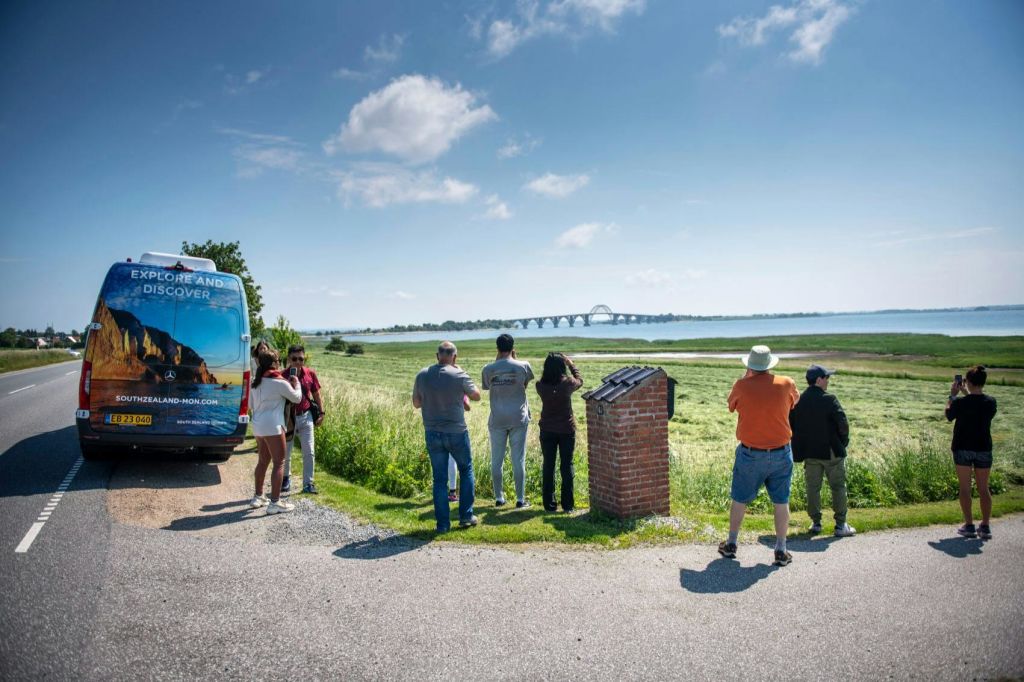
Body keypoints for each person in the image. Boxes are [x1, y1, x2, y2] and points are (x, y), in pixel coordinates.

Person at [719, 345, 800, 566]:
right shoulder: (786, 383)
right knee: (781, 501)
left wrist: (747, 379)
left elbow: (731, 406)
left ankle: (731, 543)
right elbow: (794, 402)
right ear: (770, 363)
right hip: (781, 452)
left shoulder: (741, 386)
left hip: (750, 453)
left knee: (740, 498)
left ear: (750, 365)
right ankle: (781, 549)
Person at [412, 341, 481, 532]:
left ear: (437, 356)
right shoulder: (459, 374)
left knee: (439, 479)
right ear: (454, 357)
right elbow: (476, 396)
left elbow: (416, 403)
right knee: (466, 470)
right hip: (457, 431)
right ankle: (466, 516)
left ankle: (443, 524)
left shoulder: (422, 374)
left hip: (432, 431)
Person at [789, 364, 855, 537]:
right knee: (838, 487)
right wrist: (843, 443)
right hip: (831, 451)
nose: (828, 381)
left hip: (810, 452)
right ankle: (841, 525)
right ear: (819, 380)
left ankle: (816, 523)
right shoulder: (830, 399)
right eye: (827, 377)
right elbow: (843, 425)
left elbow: (791, 426)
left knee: (812, 488)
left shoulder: (798, 401)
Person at [481, 334, 535, 508]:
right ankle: (520, 499)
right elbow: (524, 385)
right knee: (518, 460)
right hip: (518, 417)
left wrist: (498, 362)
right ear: (513, 347)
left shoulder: (488, 369)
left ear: (497, 348)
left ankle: (499, 497)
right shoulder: (524, 365)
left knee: (496, 460)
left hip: (497, 418)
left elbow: (487, 386)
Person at [946, 365, 998, 540]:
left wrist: (953, 395)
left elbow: (949, 415)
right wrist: (967, 393)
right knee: (984, 489)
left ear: (967, 382)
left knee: (965, 488)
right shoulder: (990, 402)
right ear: (983, 382)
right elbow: (977, 406)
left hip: (962, 447)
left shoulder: (961, 402)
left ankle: (969, 525)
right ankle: (985, 526)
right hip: (983, 448)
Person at [249, 349, 302, 514]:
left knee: (262, 461)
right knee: (279, 463)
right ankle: (275, 502)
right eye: (278, 361)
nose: (280, 363)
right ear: (274, 363)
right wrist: (297, 383)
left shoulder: (255, 381)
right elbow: (297, 398)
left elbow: (250, 405)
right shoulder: (280, 383)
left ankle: (258, 496)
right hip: (274, 426)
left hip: (258, 426)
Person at [535, 352, 583, 512]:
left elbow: (546, 382)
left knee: (548, 465)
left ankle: (549, 504)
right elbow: (580, 381)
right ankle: (568, 505)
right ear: (562, 367)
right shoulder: (568, 383)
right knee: (566, 466)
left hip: (547, 429)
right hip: (566, 430)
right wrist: (571, 365)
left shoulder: (540, 385)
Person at [282, 344, 325, 495]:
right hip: (288, 418)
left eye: (301, 359)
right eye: (294, 359)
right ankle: (285, 478)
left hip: (306, 416)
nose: (298, 362)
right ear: (289, 359)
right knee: (286, 451)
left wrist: (322, 412)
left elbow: (316, 394)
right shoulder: (282, 375)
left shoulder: (310, 374)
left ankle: (308, 483)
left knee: (309, 451)